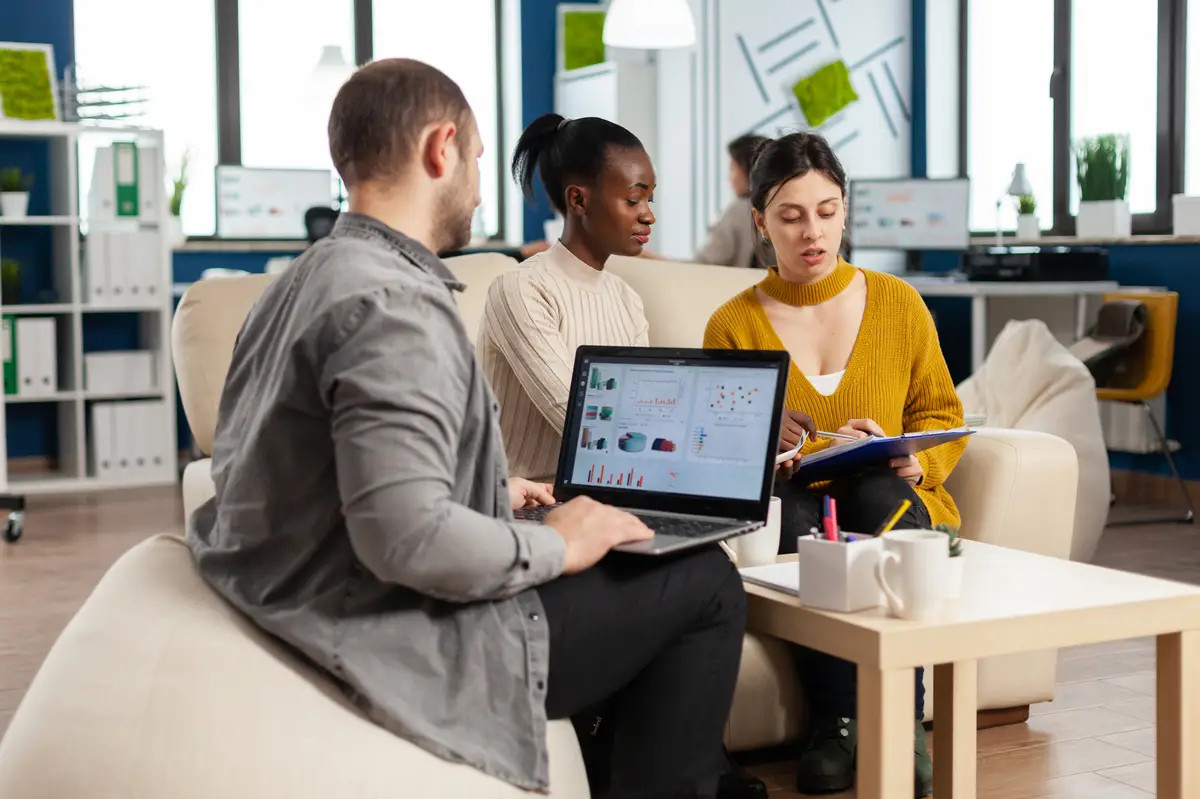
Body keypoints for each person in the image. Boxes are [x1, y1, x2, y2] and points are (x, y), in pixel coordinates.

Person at [187, 58, 751, 799]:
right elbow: (407, 538)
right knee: (706, 581)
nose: (482, 187)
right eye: (479, 160)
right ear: (440, 148)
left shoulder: (303, 277)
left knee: (643, 557)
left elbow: (274, 463)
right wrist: (558, 540)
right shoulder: (394, 305)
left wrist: (490, 487)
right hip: (384, 628)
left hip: (301, 589)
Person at [703, 132, 966, 798]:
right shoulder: (732, 324)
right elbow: (717, 449)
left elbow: (940, 415)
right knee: (798, 521)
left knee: (876, 495)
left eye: (826, 211)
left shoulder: (897, 303)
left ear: (845, 210)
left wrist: (914, 458)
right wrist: (763, 449)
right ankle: (838, 717)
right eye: (790, 216)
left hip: (893, 497)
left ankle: (904, 718)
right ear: (760, 222)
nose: (811, 232)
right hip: (798, 505)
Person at [477, 114, 654, 484]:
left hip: (609, 494)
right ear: (578, 199)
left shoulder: (627, 301)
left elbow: (642, 420)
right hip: (528, 506)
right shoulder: (522, 291)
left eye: (650, 199)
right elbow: (584, 422)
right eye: (634, 199)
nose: (649, 215)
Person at [693, 134, 774, 268]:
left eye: (732, 169)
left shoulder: (740, 209)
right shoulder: (776, 208)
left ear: (749, 170)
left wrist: (658, 260)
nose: (730, 179)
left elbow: (707, 262)